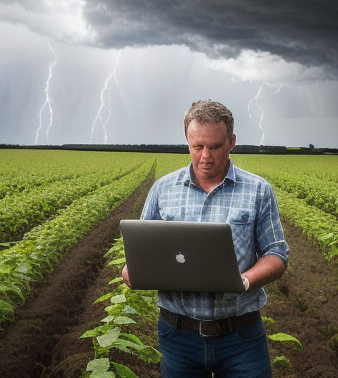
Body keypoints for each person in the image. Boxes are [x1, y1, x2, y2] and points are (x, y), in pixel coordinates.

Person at [122, 100, 289, 378]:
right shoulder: (162, 189)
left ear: (231, 141)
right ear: (187, 141)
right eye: (198, 146)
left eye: (215, 146)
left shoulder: (259, 190)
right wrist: (135, 272)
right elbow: (140, 253)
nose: (205, 156)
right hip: (178, 337)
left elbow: (277, 255)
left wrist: (245, 281)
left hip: (241, 336)